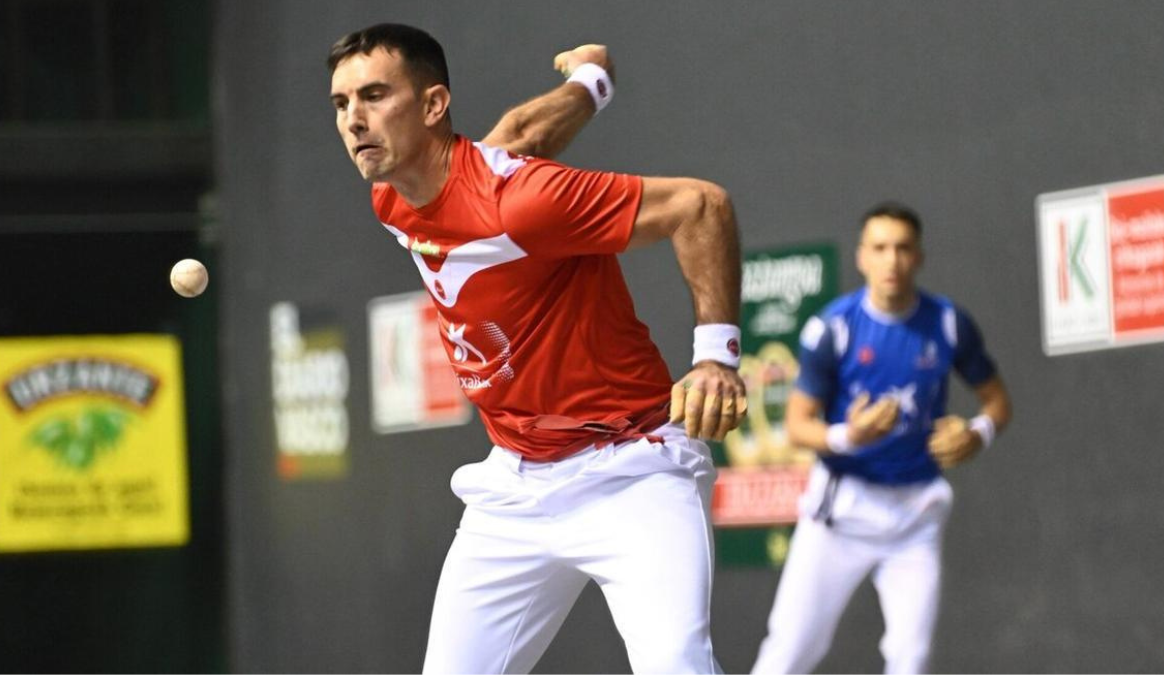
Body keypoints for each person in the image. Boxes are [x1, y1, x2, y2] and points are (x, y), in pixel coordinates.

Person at [327, 24, 747, 674]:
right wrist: (589, 84)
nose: (355, 120)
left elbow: (700, 206)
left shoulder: (520, 201)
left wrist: (716, 357)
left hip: (631, 469)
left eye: (375, 96)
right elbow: (521, 134)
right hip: (516, 486)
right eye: (342, 103)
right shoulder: (393, 194)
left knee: (677, 666)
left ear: (434, 105)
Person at [750, 201, 1013, 675]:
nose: (891, 259)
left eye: (903, 248)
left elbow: (997, 403)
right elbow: (796, 425)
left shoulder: (949, 323)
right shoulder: (833, 329)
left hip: (915, 517)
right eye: (880, 248)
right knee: (789, 652)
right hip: (841, 515)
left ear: (919, 257)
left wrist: (978, 432)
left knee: (910, 661)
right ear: (861, 257)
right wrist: (852, 435)